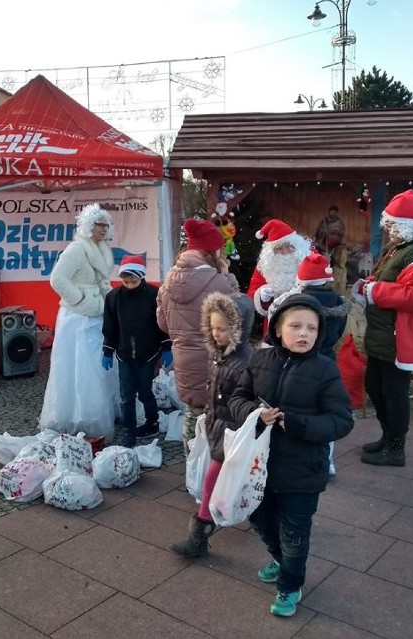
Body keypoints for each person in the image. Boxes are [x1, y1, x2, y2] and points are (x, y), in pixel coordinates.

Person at [229, 293, 354, 617]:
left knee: (295, 533)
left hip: (302, 472)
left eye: (311, 328)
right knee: (259, 517)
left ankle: (290, 584)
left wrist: (296, 423)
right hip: (259, 466)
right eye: (295, 325)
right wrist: (255, 413)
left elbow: (341, 421)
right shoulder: (259, 360)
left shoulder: (325, 369)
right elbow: (238, 398)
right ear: (278, 328)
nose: (303, 334)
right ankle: (279, 558)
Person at [352, 189, 413, 466]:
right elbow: (391, 278)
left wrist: (376, 291)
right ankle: (388, 437)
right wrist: (369, 284)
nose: (390, 230)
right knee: (375, 385)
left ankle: (396, 448)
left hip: (400, 336)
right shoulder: (404, 247)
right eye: (390, 225)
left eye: (395, 226)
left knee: (394, 393)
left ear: (411, 226)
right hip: (386, 334)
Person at [171, 291, 255, 557]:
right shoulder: (219, 355)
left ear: (239, 329)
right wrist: (209, 414)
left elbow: (247, 400)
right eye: (213, 327)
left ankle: (199, 534)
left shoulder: (246, 361)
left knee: (213, 480)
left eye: (223, 329)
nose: (217, 334)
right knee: (234, 482)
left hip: (234, 434)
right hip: (220, 430)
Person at [157, 218, 239, 448]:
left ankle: (192, 474)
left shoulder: (169, 281)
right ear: (212, 250)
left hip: (183, 362)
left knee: (192, 417)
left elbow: (164, 324)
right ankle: (214, 475)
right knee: (219, 422)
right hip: (213, 362)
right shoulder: (218, 282)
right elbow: (237, 317)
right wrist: (228, 278)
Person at [39, 203, 118, 439]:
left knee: (98, 366)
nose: (103, 229)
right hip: (76, 316)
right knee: (78, 368)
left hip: (98, 313)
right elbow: (57, 279)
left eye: (106, 224)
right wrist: (81, 298)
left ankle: (96, 412)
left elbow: (102, 280)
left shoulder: (102, 249)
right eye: (98, 224)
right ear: (87, 226)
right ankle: (76, 416)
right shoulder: (75, 250)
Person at [270, 249, 349, 478]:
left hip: (300, 364)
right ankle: (328, 461)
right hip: (327, 361)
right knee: (325, 412)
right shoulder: (338, 303)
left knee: (297, 409)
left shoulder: (298, 304)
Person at [102, 255, 172, 447]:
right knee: (126, 396)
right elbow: (110, 325)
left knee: (145, 392)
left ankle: (152, 422)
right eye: (126, 281)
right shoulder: (113, 297)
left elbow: (162, 323)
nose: (130, 284)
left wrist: (166, 346)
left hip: (147, 353)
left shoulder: (153, 294)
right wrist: (107, 350)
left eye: (133, 280)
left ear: (141, 276)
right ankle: (129, 432)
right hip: (124, 353)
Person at [247, 220, 310, 340]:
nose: (285, 252)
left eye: (289, 246)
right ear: (271, 252)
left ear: (297, 246)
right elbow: (251, 293)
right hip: (275, 325)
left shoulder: (308, 260)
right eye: (279, 249)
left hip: (304, 322)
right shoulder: (264, 266)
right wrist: (261, 295)